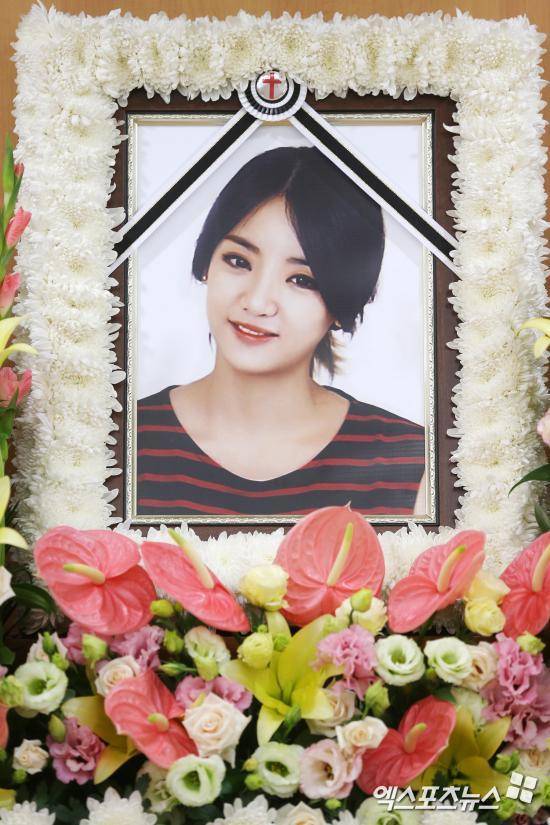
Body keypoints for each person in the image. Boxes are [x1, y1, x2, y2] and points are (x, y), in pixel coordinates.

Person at [137, 146, 425, 517]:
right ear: (207, 262)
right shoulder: (121, 442)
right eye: (238, 261)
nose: (258, 302)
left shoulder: (411, 464)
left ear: (342, 302)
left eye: (302, 280)